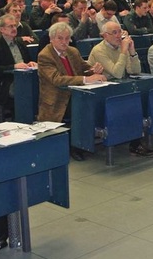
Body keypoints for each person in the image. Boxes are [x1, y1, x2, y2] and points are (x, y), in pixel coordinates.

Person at [37, 22, 106, 160]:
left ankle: (89, 140)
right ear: (51, 39)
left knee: (98, 101)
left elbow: (84, 67)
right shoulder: (45, 56)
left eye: (67, 38)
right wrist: (87, 79)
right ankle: (77, 146)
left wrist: (93, 70)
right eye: (60, 38)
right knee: (81, 107)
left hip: (76, 92)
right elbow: (57, 79)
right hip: (58, 97)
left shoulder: (72, 51)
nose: (64, 42)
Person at [89, 21, 153, 156]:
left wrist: (132, 51)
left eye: (120, 31)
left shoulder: (120, 47)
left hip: (119, 87)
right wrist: (124, 50)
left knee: (144, 94)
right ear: (105, 36)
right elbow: (117, 73)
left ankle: (140, 139)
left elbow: (135, 71)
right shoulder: (98, 50)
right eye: (114, 33)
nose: (118, 36)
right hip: (102, 92)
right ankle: (134, 143)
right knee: (130, 101)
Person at [0, 15, 37, 106]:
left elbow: (27, 60)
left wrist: (30, 63)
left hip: (25, 76)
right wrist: (13, 66)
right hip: (7, 82)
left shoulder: (20, 43)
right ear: (2, 29)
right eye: (10, 26)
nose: (14, 28)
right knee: (25, 89)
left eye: (15, 26)